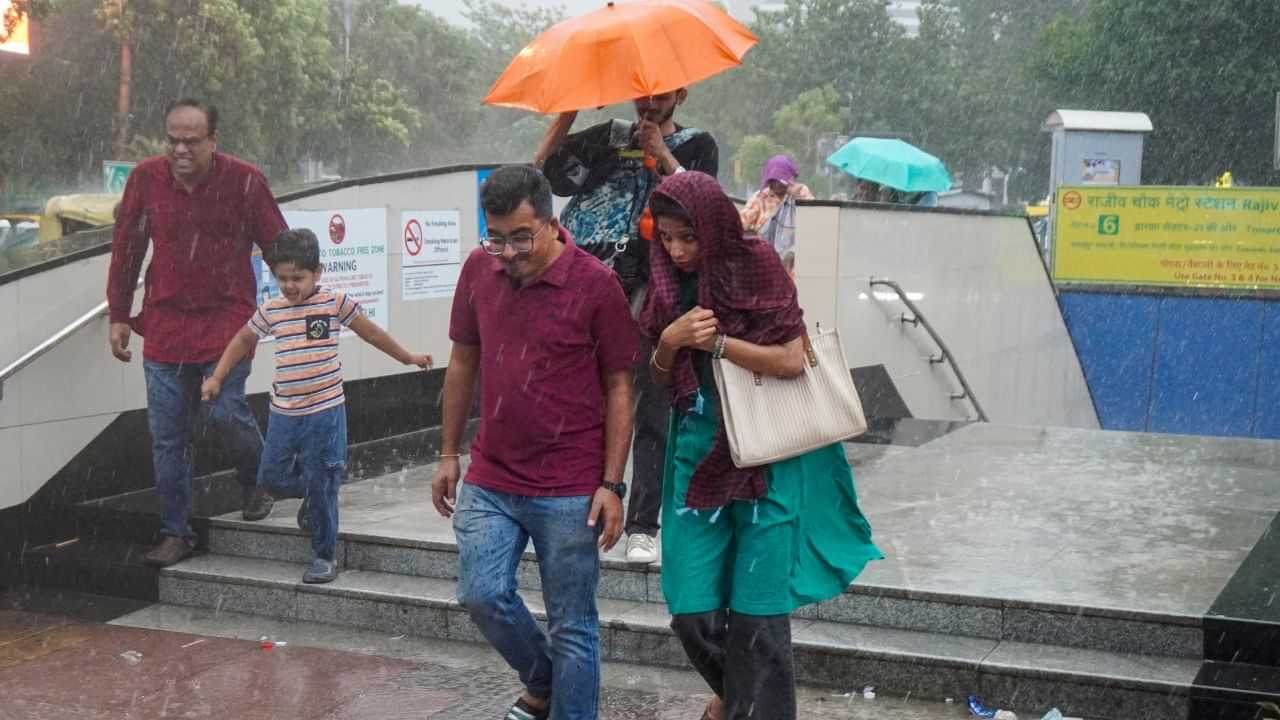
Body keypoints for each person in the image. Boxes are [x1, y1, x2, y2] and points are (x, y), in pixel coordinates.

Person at [640, 172, 883, 720]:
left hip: (769, 459)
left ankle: (749, 706)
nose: (676, 250)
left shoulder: (756, 265)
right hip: (696, 458)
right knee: (691, 611)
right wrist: (672, 340)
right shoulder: (665, 282)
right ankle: (737, 698)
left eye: (689, 237)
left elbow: (793, 361)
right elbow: (658, 374)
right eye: (668, 237)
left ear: (714, 228)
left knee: (758, 620)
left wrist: (721, 342)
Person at [431, 166, 638, 720]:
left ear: (550, 223)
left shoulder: (596, 285)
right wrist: (449, 453)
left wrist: (612, 484)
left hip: (570, 484)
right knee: (480, 593)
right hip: (493, 475)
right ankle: (541, 680)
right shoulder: (479, 269)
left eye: (521, 237)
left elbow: (621, 387)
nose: (507, 251)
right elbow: (463, 360)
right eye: (495, 236)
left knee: (573, 623)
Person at [534, 90, 719, 565]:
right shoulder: (607, 137)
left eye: (660, 93)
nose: (649, 102)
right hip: (588, 288)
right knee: (583, 401)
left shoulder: (698, 145)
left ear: (680, 93)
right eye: (642, 93)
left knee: (652, 408)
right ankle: (583, 503)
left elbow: (706, 211)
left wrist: (661, 154)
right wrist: (566, 115)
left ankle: (642, 523)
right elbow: (545, 180)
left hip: (654, 293)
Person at [107, 98, 286, 568]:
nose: (181, 149)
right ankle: (175, 533)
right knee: (167, 437)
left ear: (213, 140)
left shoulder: (246, 181)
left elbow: (278, 245)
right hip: (165, 325)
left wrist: (297, 302)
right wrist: (120, 315)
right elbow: (126, 249)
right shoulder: (145, 179)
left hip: (228, 323)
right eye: (173, 140)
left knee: (227, 412)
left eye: (191, 140)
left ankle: (255, 477)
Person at [201, 229, 432, 583]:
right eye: (283, 278)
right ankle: (315, 491)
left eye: (298, 277)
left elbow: (371, 333)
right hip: (284, 412)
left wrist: (407, 357)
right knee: (271, 478)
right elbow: (243, 339)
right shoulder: (272, 310)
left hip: (325, 410)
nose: (290, 286)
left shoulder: (333, 303)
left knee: (323, 481)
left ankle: (324, 555)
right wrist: (217, 376)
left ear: (318, 272)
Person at [739, 154, 815, 273]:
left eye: (780, 179)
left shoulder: (800, 191)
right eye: (773, 180)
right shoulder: (760, 197)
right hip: (764, 264)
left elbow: (814, 217)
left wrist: (796, 197)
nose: (776, 184)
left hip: (794, 265)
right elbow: (741, 223)